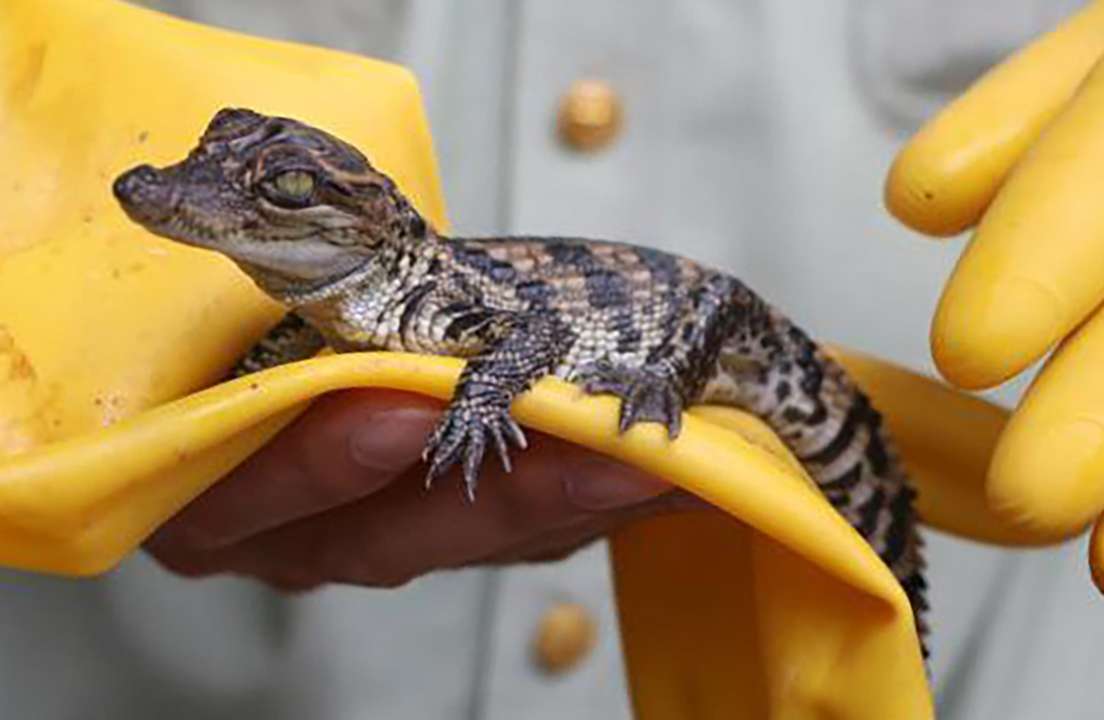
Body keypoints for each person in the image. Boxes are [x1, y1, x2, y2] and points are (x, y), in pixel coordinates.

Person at [3, 1, 1096, 717]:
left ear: (353, 222)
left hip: (724, 341)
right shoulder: (344, 295)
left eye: (274, 191)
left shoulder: (422, 296)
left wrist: (493, 399)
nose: (185, 197)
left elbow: (523, 337)